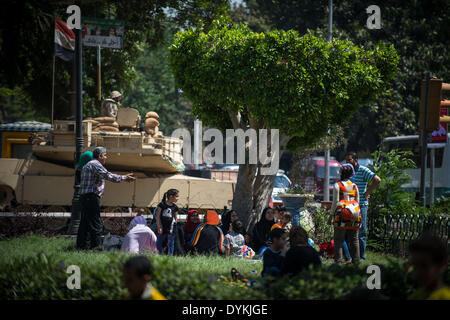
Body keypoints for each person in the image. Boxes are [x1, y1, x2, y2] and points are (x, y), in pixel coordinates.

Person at [76, 147, 135, 250]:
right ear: (100, 156)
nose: (106, 157)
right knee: (96, 224)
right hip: (92, 197)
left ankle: (81, 247)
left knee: (84, 224)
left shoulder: (87, 165)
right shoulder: (95, 165)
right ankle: (96, 248)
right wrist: (124, 177)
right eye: (105, 155)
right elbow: (109, 176)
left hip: (85, 197)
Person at [345, 151, 381, 260]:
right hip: (349, 205)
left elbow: (377, 180)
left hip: (361, 205)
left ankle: (362, 256)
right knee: (348, 230)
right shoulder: (347, 171)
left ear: (356, 160)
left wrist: (368, 192)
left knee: (361, 231)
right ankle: (350, 255)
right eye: (346, 161)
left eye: (349, 160)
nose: (347, 163)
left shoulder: (363, 170)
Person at [328, 164, 361, 264]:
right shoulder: (355, 186)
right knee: (354, 239)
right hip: (355, 212)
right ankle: (356, 260)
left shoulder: (338, 185)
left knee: (338, 238)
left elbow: (335, 202)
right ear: (351, 174)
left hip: (342, 212)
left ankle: (338, 260)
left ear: (340, 173)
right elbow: (357, 201)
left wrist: (331, 216)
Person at [408, 234, 450, 300]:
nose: (418, 272)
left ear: (442, 264)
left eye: (424, 266)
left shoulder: (446, 297)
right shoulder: (415, 296)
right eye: (415, 266)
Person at [155, 189, 179, 255]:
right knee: (159, 243)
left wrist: (174, 226)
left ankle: (170, 256)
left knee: (171, 243)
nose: (178, 198)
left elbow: (176, 218)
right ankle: (161, 254)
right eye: (176, 196)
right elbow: (157, 216)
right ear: (171, 197)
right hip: (163, 227)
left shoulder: (175, 207)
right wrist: (159, 226)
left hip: (171, 228)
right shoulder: (162, 205)